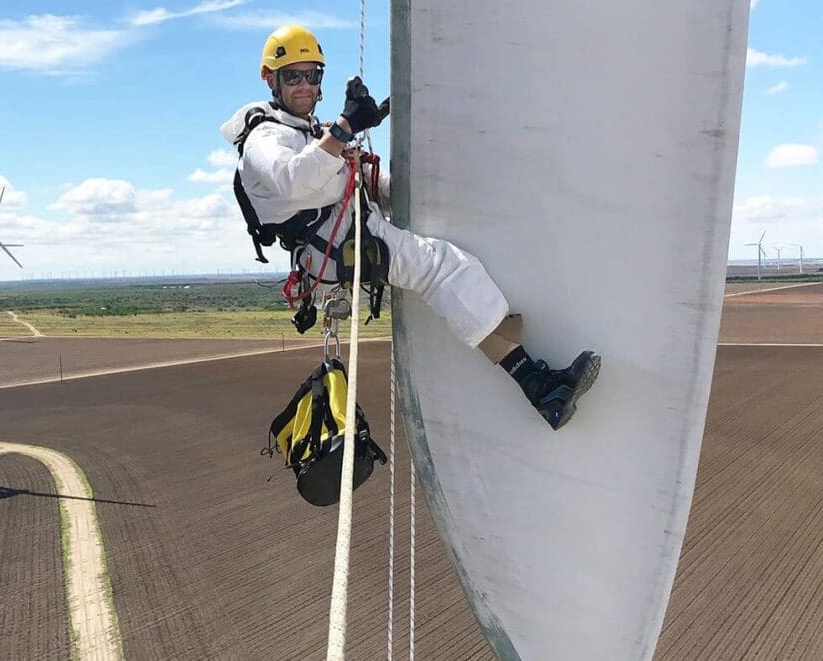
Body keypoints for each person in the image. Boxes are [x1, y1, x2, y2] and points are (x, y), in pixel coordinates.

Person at [221, 25, 600, 430]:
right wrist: (344, 129)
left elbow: (347, 179)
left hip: (350, 231)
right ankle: (539, 384)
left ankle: (523, 362)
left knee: (444, 262)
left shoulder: (306, 132)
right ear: (270, 79)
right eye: (293, 76)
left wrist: (423, 186)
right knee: (444, 267)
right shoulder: (265, 139)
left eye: (312, 75)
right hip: (336, 247)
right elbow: (294, 180)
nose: (304, 86)